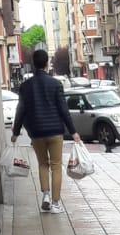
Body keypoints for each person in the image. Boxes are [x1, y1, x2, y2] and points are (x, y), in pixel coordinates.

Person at [11, 46, 77, 214]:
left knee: (42, 164)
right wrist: (73, 131)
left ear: (33, 63)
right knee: (56, 166)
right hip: (55, 131)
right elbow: (63, 110)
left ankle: (45, 195)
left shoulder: (25, 86)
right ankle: (55, 204)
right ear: (47, 63)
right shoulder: (55, 84)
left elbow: (21, 110)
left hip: (37, 133)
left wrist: (16, 132)